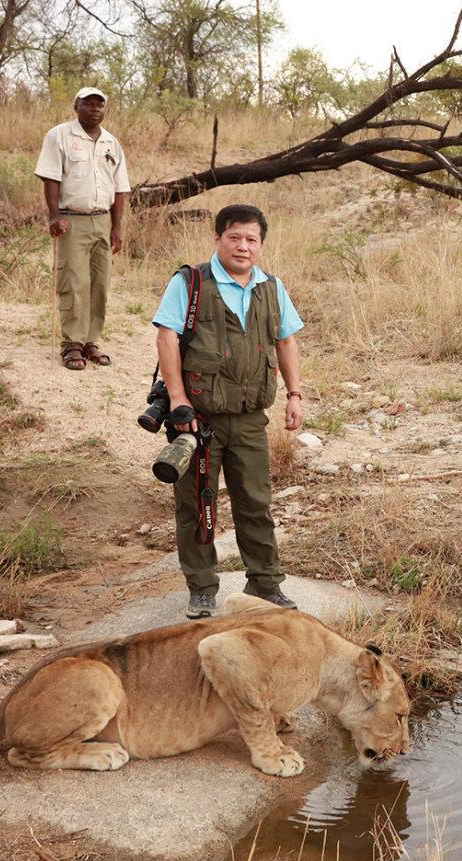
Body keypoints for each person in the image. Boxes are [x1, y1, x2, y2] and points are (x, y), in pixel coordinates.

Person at [153, 204, 304, 619]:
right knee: (197, 506)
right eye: (234, 237)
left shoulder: (272, 287)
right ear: (218, 239)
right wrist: (179, 400)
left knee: (256, 503)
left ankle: (265, 584)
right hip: (198, 420)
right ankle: (201, 589)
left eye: (251, 239)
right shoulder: (191, 282)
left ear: (261, 245)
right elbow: (168, 338)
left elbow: (286, 341)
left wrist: (294, 393)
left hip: (251, 418)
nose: (243, 246)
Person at [35, 87, 130, 370]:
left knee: (100, 283)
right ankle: (72, 344)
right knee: (74, 281)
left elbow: (120, 187)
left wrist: (117, 228)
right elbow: (51, 178)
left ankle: (91, 340)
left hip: (103, 219)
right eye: (88, 104)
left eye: (100, 104)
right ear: (76, 106)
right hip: (71, 218)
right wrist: (54, 217)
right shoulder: (59, 136)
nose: (95, 109)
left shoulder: (111, 142)